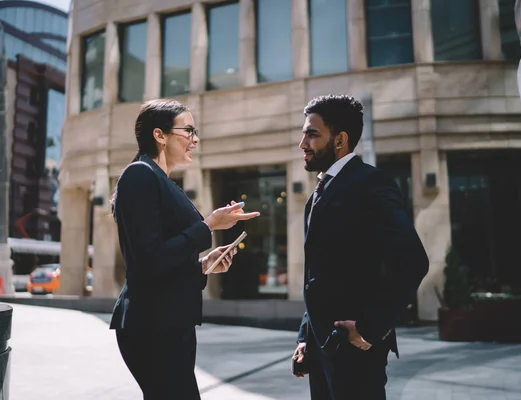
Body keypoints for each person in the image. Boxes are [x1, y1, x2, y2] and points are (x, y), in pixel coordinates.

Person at [109, 99, 260, 399]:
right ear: (160, 136)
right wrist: (208, 226)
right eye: (188, 130)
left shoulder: (159, 180)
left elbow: (162, 258)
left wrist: (204, 263)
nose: (196, 139)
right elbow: (148, 261)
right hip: (152, 327)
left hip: (168, 322)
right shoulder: (140, 175)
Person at [292, 95, 429, 399]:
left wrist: (370, 327)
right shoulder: (318, 194)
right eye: (303, 134)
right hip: (322, 348)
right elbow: (317, 274)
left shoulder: (371, 183)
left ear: (340, 140)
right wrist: (306, 338)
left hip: (356, 347)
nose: (303, 143)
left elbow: (413, 261)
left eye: (312, 134)